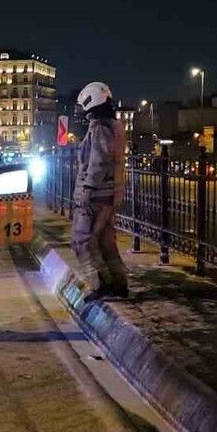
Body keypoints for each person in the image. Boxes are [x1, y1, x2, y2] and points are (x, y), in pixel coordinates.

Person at [72, 82, 128, 301]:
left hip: (96, 195)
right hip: (109, 194)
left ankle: (99, 284)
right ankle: (118, 284)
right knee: (105, 242)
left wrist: (87, 189)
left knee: (82, 240)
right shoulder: (114, 125)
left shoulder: (99, 127)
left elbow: (97, 162)